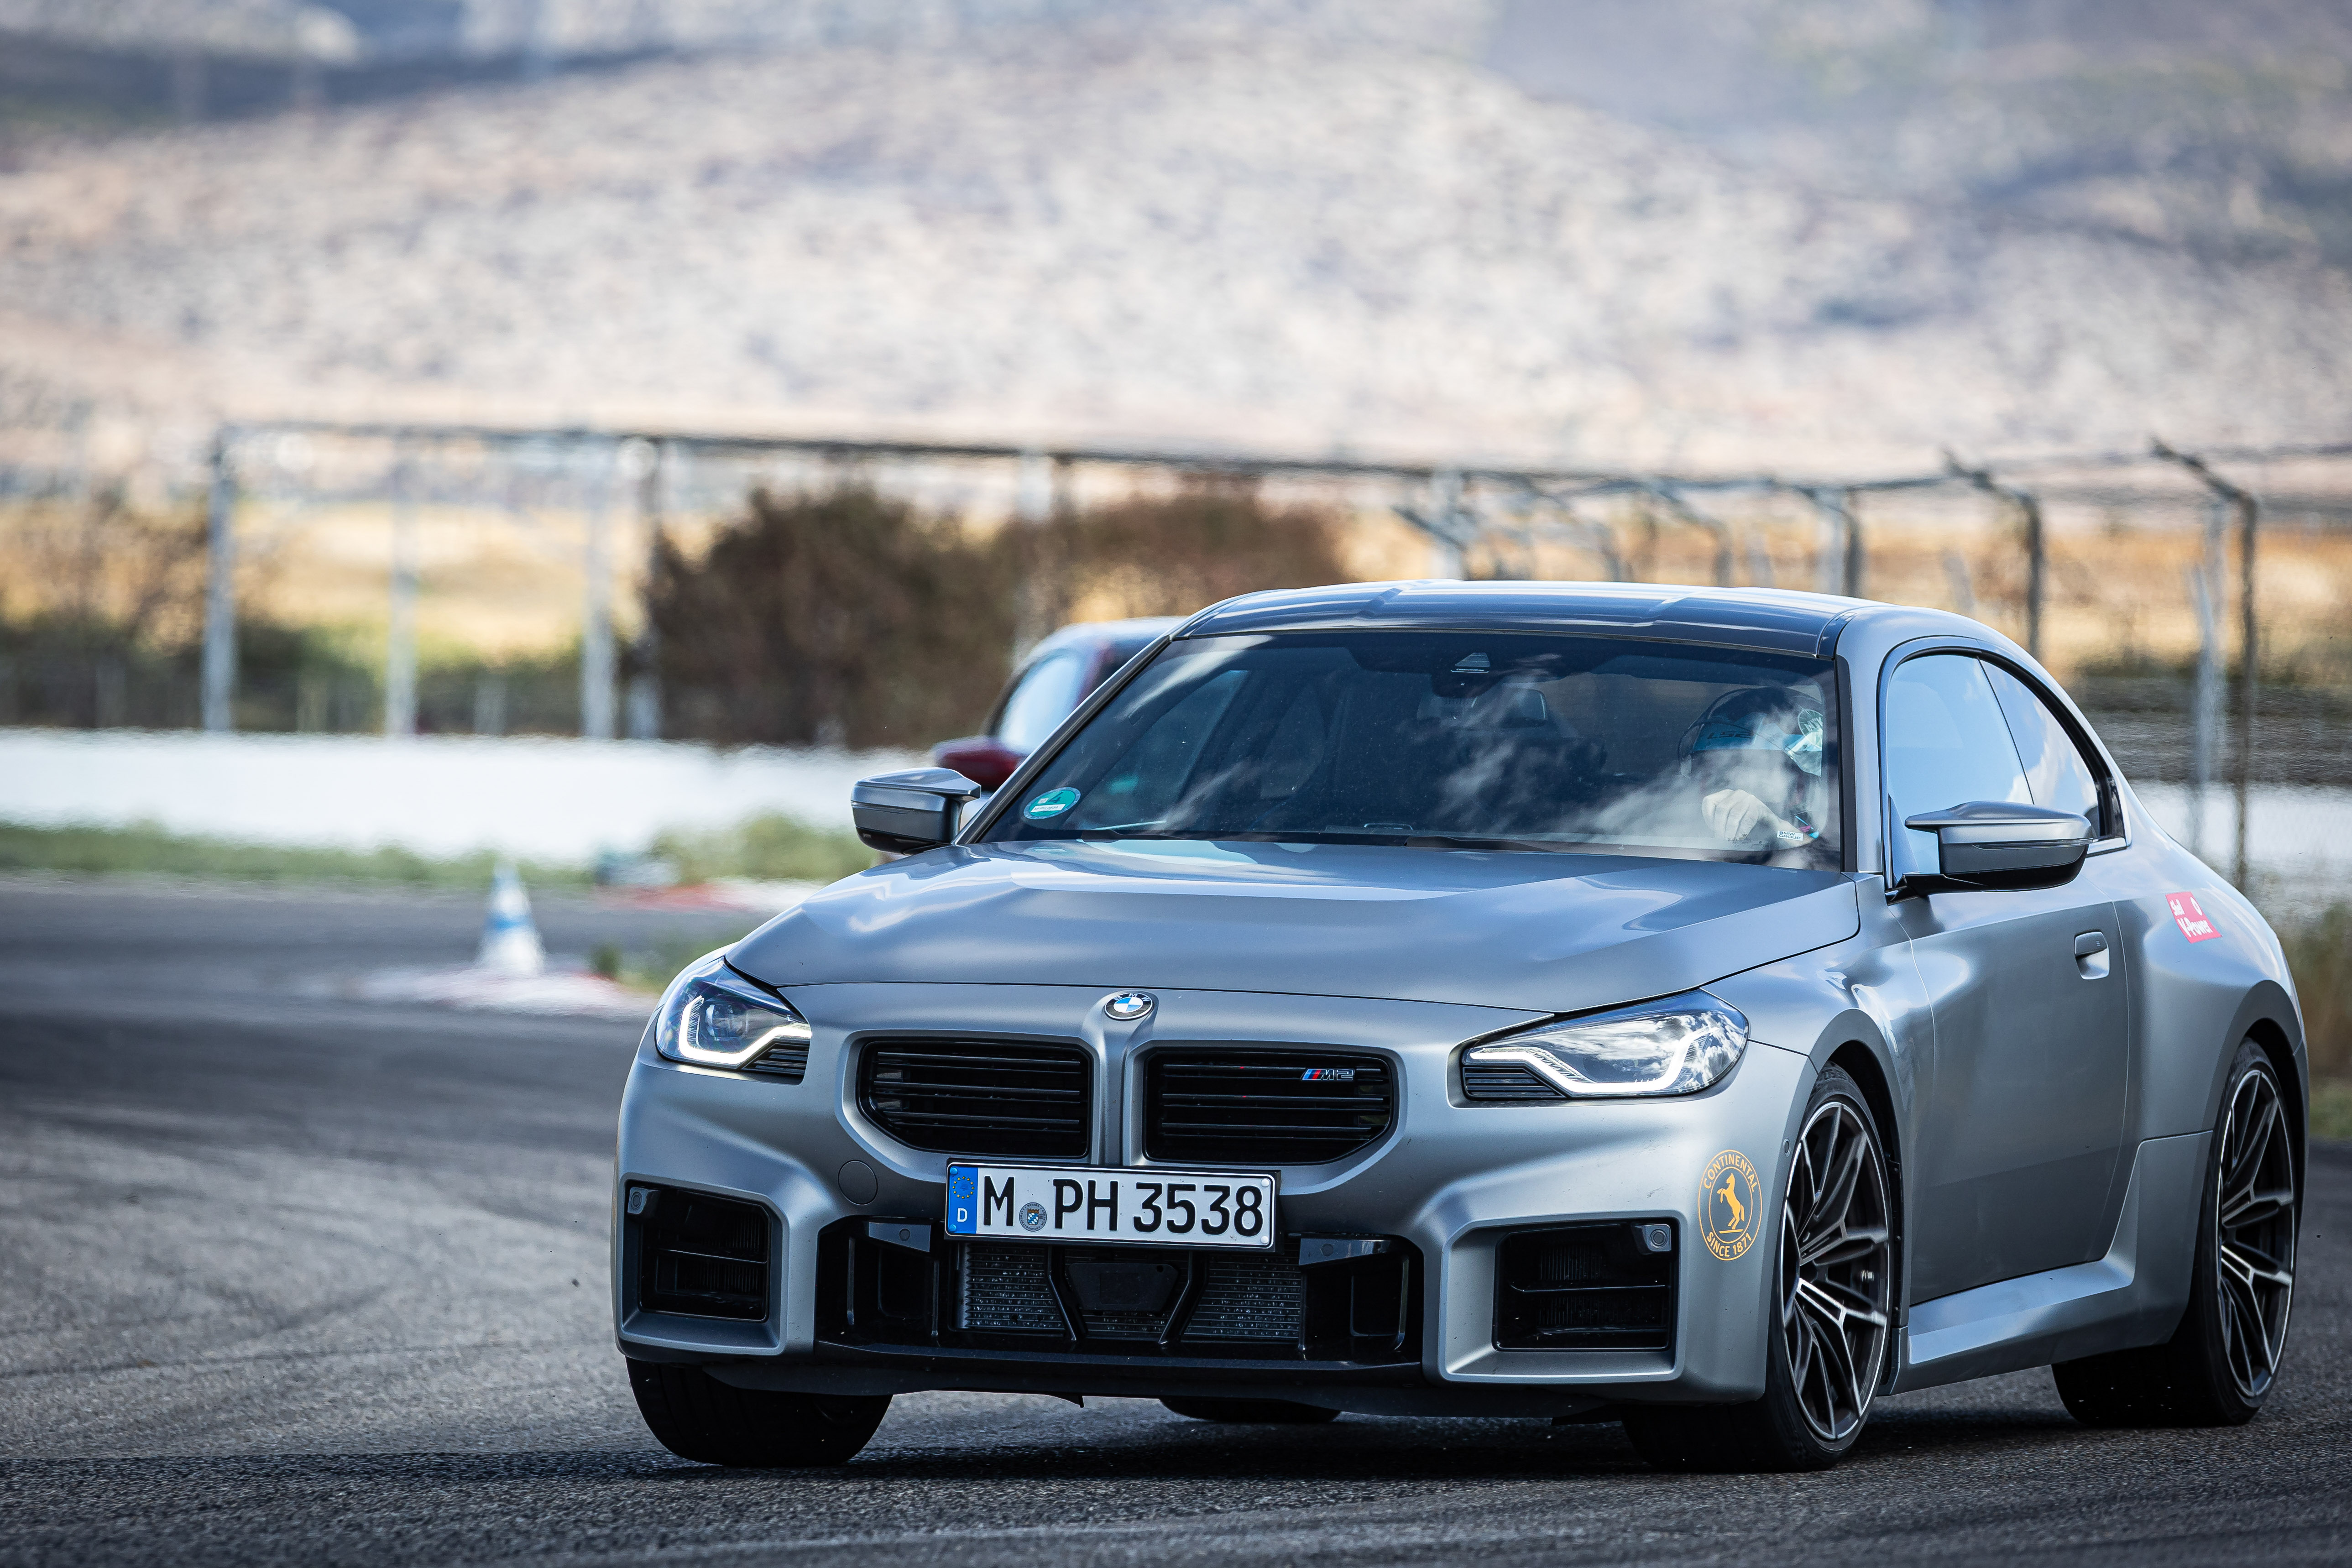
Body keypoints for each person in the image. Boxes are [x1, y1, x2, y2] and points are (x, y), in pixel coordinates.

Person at [1679, 686, 1829, 854]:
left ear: (1801, 783)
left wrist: (1774, 824)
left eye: (1758, 766)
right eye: (1716, 769)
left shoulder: (1816, 827)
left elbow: (1824, 857)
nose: (1736, 778)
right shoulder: (1672, 827)